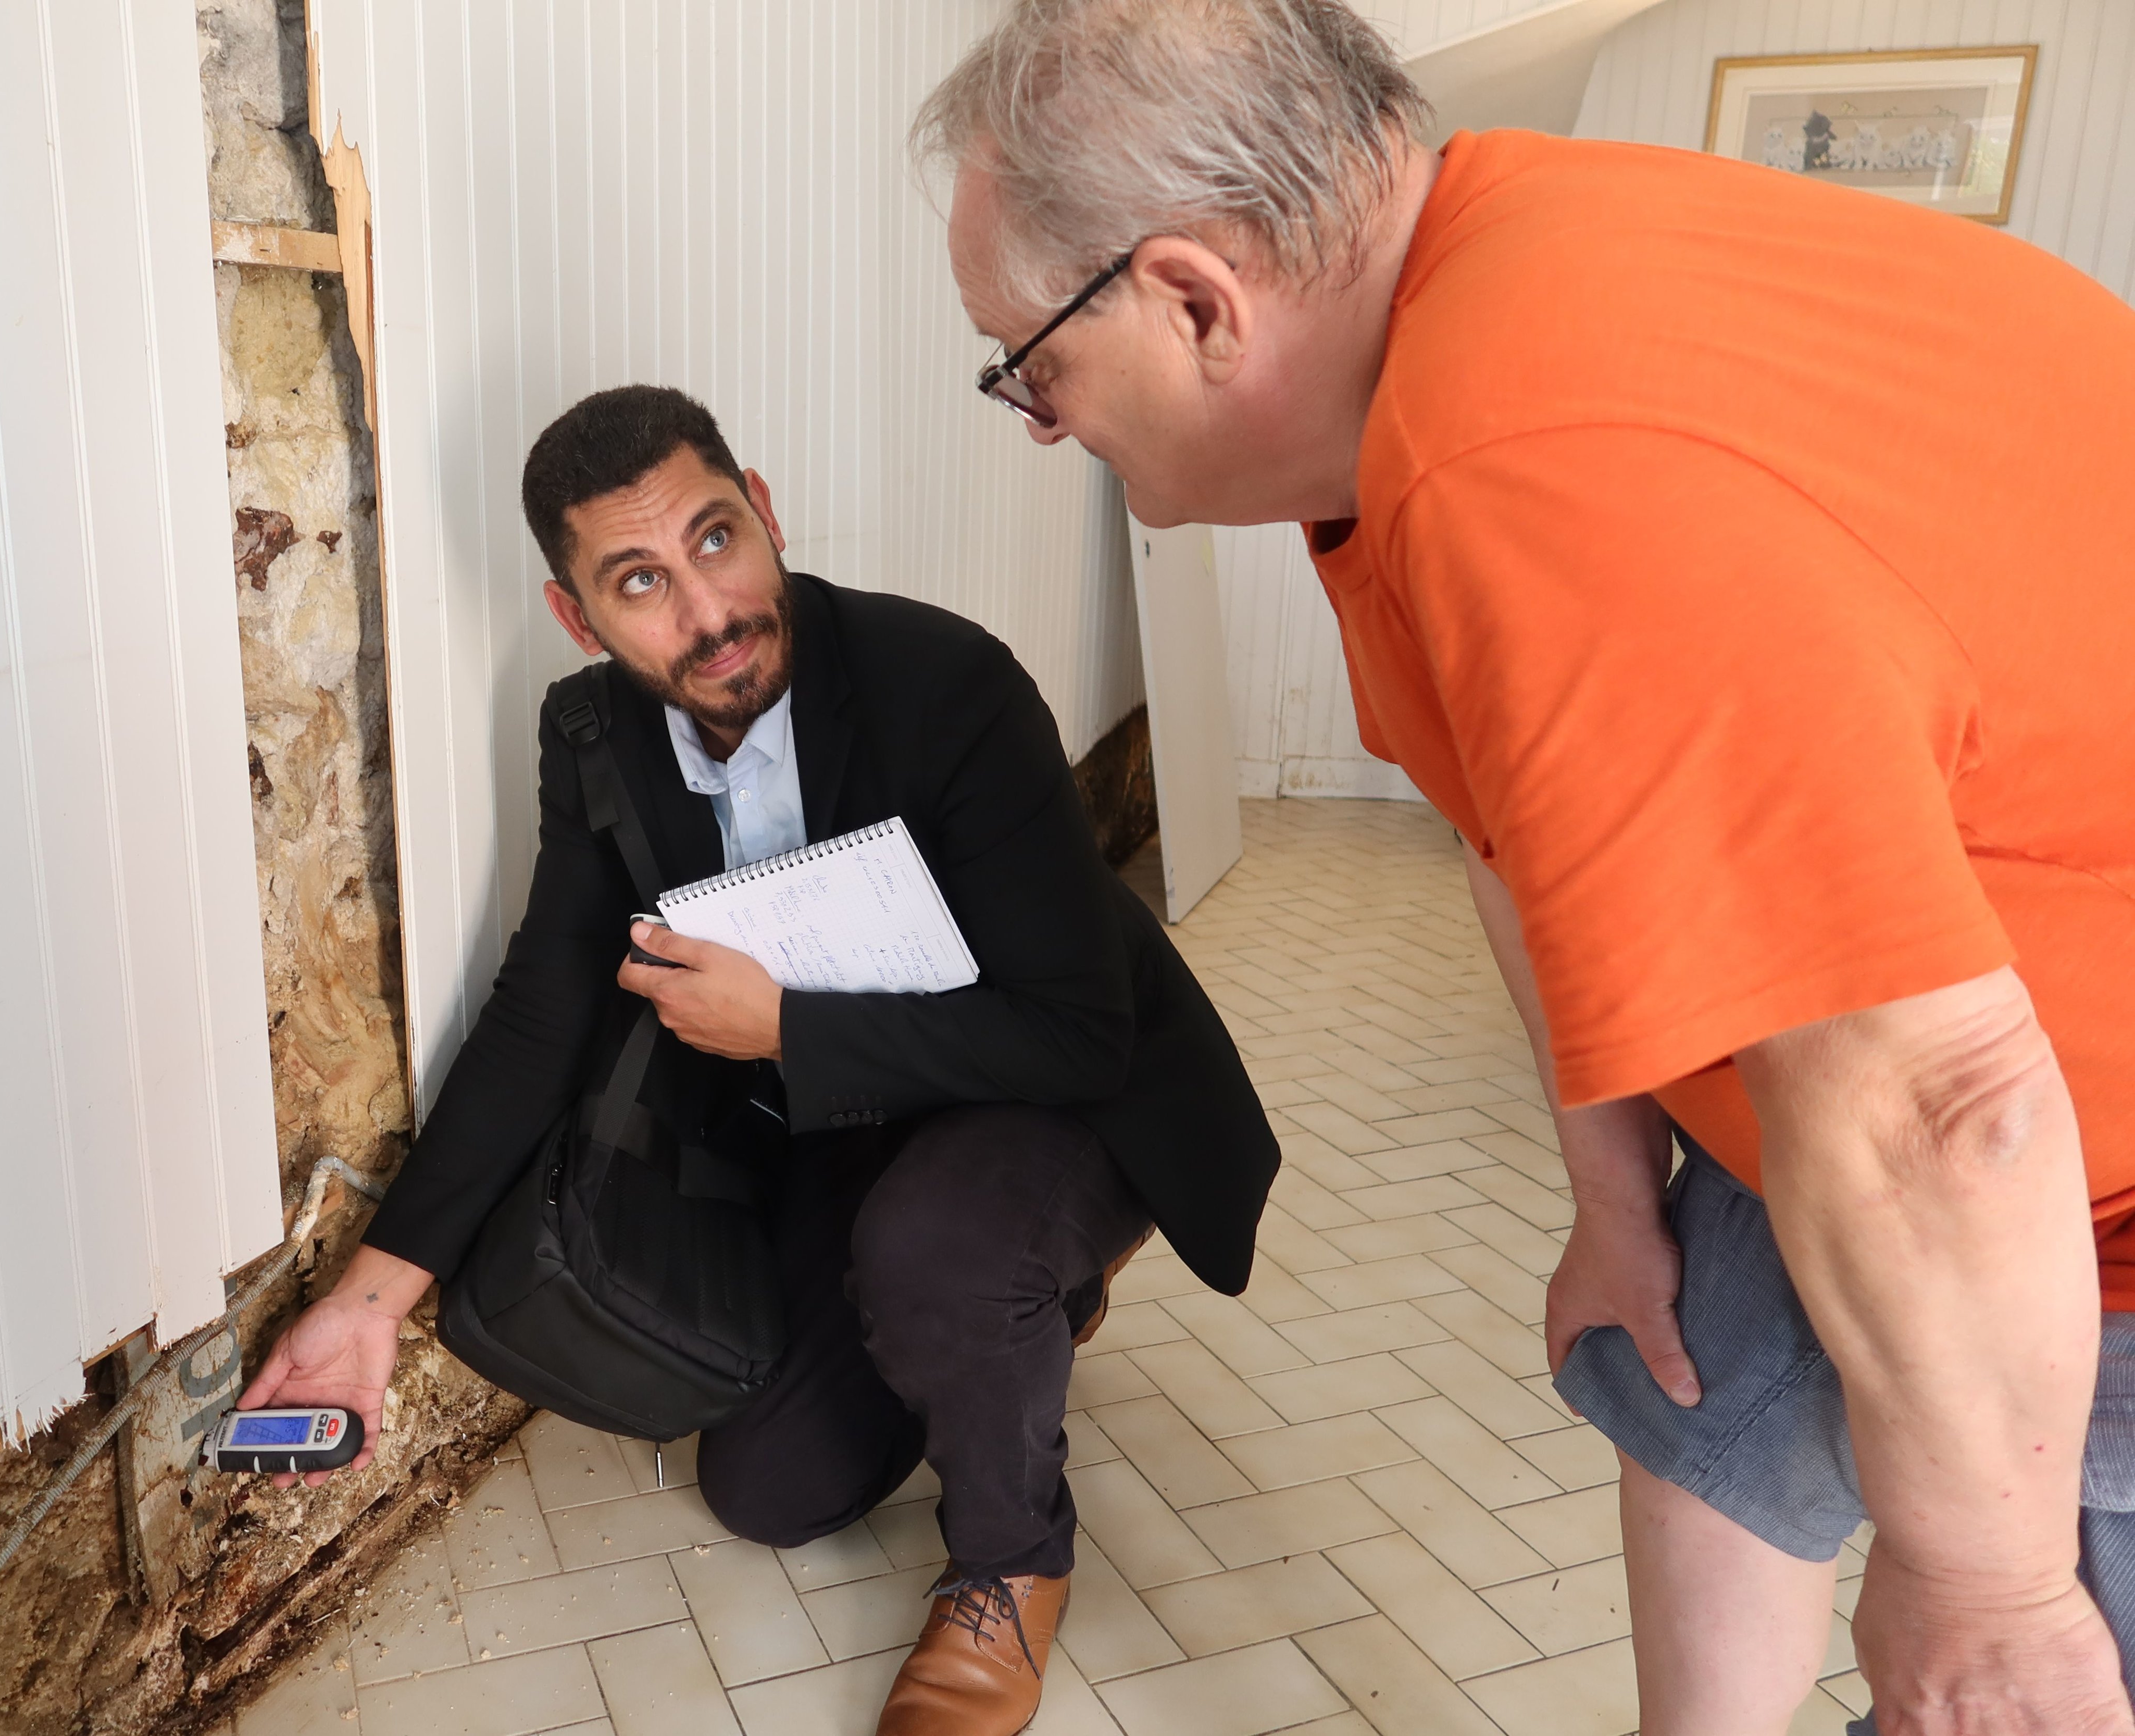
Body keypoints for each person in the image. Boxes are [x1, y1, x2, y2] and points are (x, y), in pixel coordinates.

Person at [915, 2, 2135, 1732]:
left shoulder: (1529, 451)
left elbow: (1944, 1111)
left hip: (2059, 1162)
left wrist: (1990, 1595)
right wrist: (1617, 1201)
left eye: (1027, 361)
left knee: (2009, 1682)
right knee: (1698, 1394)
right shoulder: (1448, 339)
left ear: (1197, 299)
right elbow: (1521, 841)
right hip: (1838, 1083)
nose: (1037, 420)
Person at [240, 384, 1279, 1736]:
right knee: (771, 1488)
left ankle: (1013, 1563)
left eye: (719, 540)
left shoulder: (944, 682)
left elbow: (1080, 1028)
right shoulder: (594, 735)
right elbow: (540, 1015)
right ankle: (1003, 1304)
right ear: (581, 618)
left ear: (768, 513)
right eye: (641, 582)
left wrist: (785, 1027)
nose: (710, 612)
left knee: (941, 1250)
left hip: (1062, 1084)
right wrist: (372, 1302)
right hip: (855, 1119)